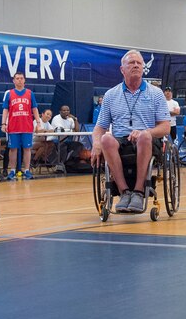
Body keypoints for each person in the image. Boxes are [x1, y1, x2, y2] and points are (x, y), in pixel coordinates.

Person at [92, 50, 172, 214]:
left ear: (143, 67)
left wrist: (147, 132)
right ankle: (124, 192)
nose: (136, 65)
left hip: (148, 140)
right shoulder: (111, 95)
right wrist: (96, 143)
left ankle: (138, 191)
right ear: (122, 69)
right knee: (106, 139)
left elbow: (165, 127)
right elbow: (100, 128)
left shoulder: (156, 93)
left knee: (143, 136)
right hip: (121, 140)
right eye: (131, 63)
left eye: (139, 63)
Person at [1, 72, 41, 180]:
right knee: (13, 149)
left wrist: (38, 122)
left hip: (27, 126)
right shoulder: (9, 93)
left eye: (21, 78)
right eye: (17, 78)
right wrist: (3, 123)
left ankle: (27, 170)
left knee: (27, 148)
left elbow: (34, 108)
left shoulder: (29, 93)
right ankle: (12, 171)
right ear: (13, 80)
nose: (19, 80)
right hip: (13, 126)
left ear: (24, 80)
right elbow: (5, 109)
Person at [50, 105, 83, 170]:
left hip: (66, 140)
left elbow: (77, 130)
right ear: (60, 111)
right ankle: (59, 165)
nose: (66, 112)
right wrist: (70, 130)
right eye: (64, 110)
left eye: (68, 110)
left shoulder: (70, 119)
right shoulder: (56, 118)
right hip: (56, 140)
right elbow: (60, 130)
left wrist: (75, 119)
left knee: (79, 146)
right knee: (63, 146)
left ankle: (69, 163)